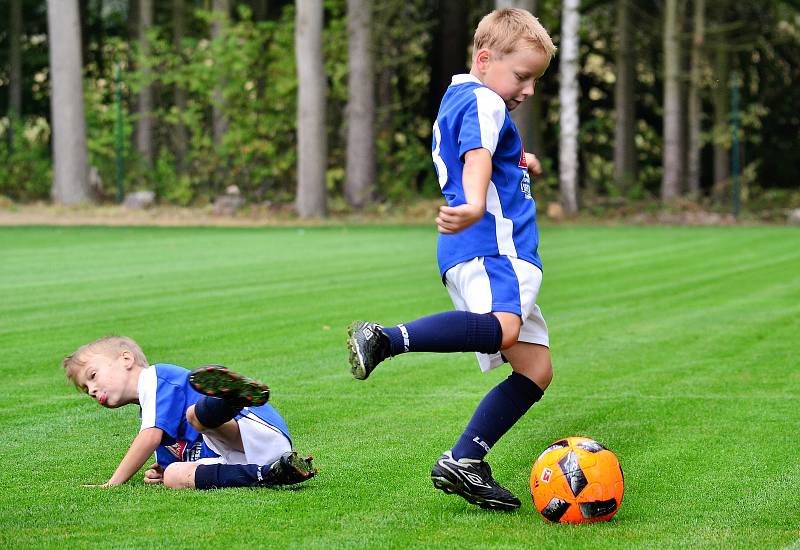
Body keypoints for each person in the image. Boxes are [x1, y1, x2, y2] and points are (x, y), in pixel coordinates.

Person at [347, 8, 556, 511]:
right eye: (522, 76)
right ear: (485, 59)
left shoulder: (462, 96)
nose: (527, 90)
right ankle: (386, 339)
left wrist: (521, 162)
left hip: (477, 249)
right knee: (503, 328)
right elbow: (476, 156)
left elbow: (485, 150)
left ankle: (466, 459)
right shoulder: (484, 98)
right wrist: (477, 203)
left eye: (534, 80)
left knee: (536, 369)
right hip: (493, 246)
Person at [63, 335, 316, 489]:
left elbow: (148, 437)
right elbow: (174, 457)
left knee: (194, 415)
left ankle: (230, 401)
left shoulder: (156, 378)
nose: (93, 390)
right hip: (254, 458)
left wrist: (113, 482)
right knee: (174, 477)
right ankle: (270, 474)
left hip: (253, 427)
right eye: (87, 389)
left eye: (93, 376)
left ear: (126, 359)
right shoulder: (151, 414)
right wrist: (160, 471)